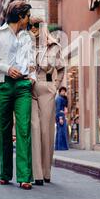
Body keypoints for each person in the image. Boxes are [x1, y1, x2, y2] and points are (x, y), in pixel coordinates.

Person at [0, 0, 35, 190]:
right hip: (3, 85)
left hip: (22, 86)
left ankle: (25, 176)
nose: (30, 19)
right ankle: (5, 173)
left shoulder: (27, 37)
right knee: (4, 131)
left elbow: (31, 61)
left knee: (23, 129)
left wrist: (33, 77)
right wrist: (6, 68)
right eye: (28, 15)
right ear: (20, 16)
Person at [30, 17, 65, 185]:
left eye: (36, 26)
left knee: (46, 131)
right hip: (28, 88)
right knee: (34, 128)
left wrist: (55, 87)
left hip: (47, 88)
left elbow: (61, 68)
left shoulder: (54, 47)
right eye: (30, 26)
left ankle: (46, 171)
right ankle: (36, 173)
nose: (33, 29)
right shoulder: (26, 44)